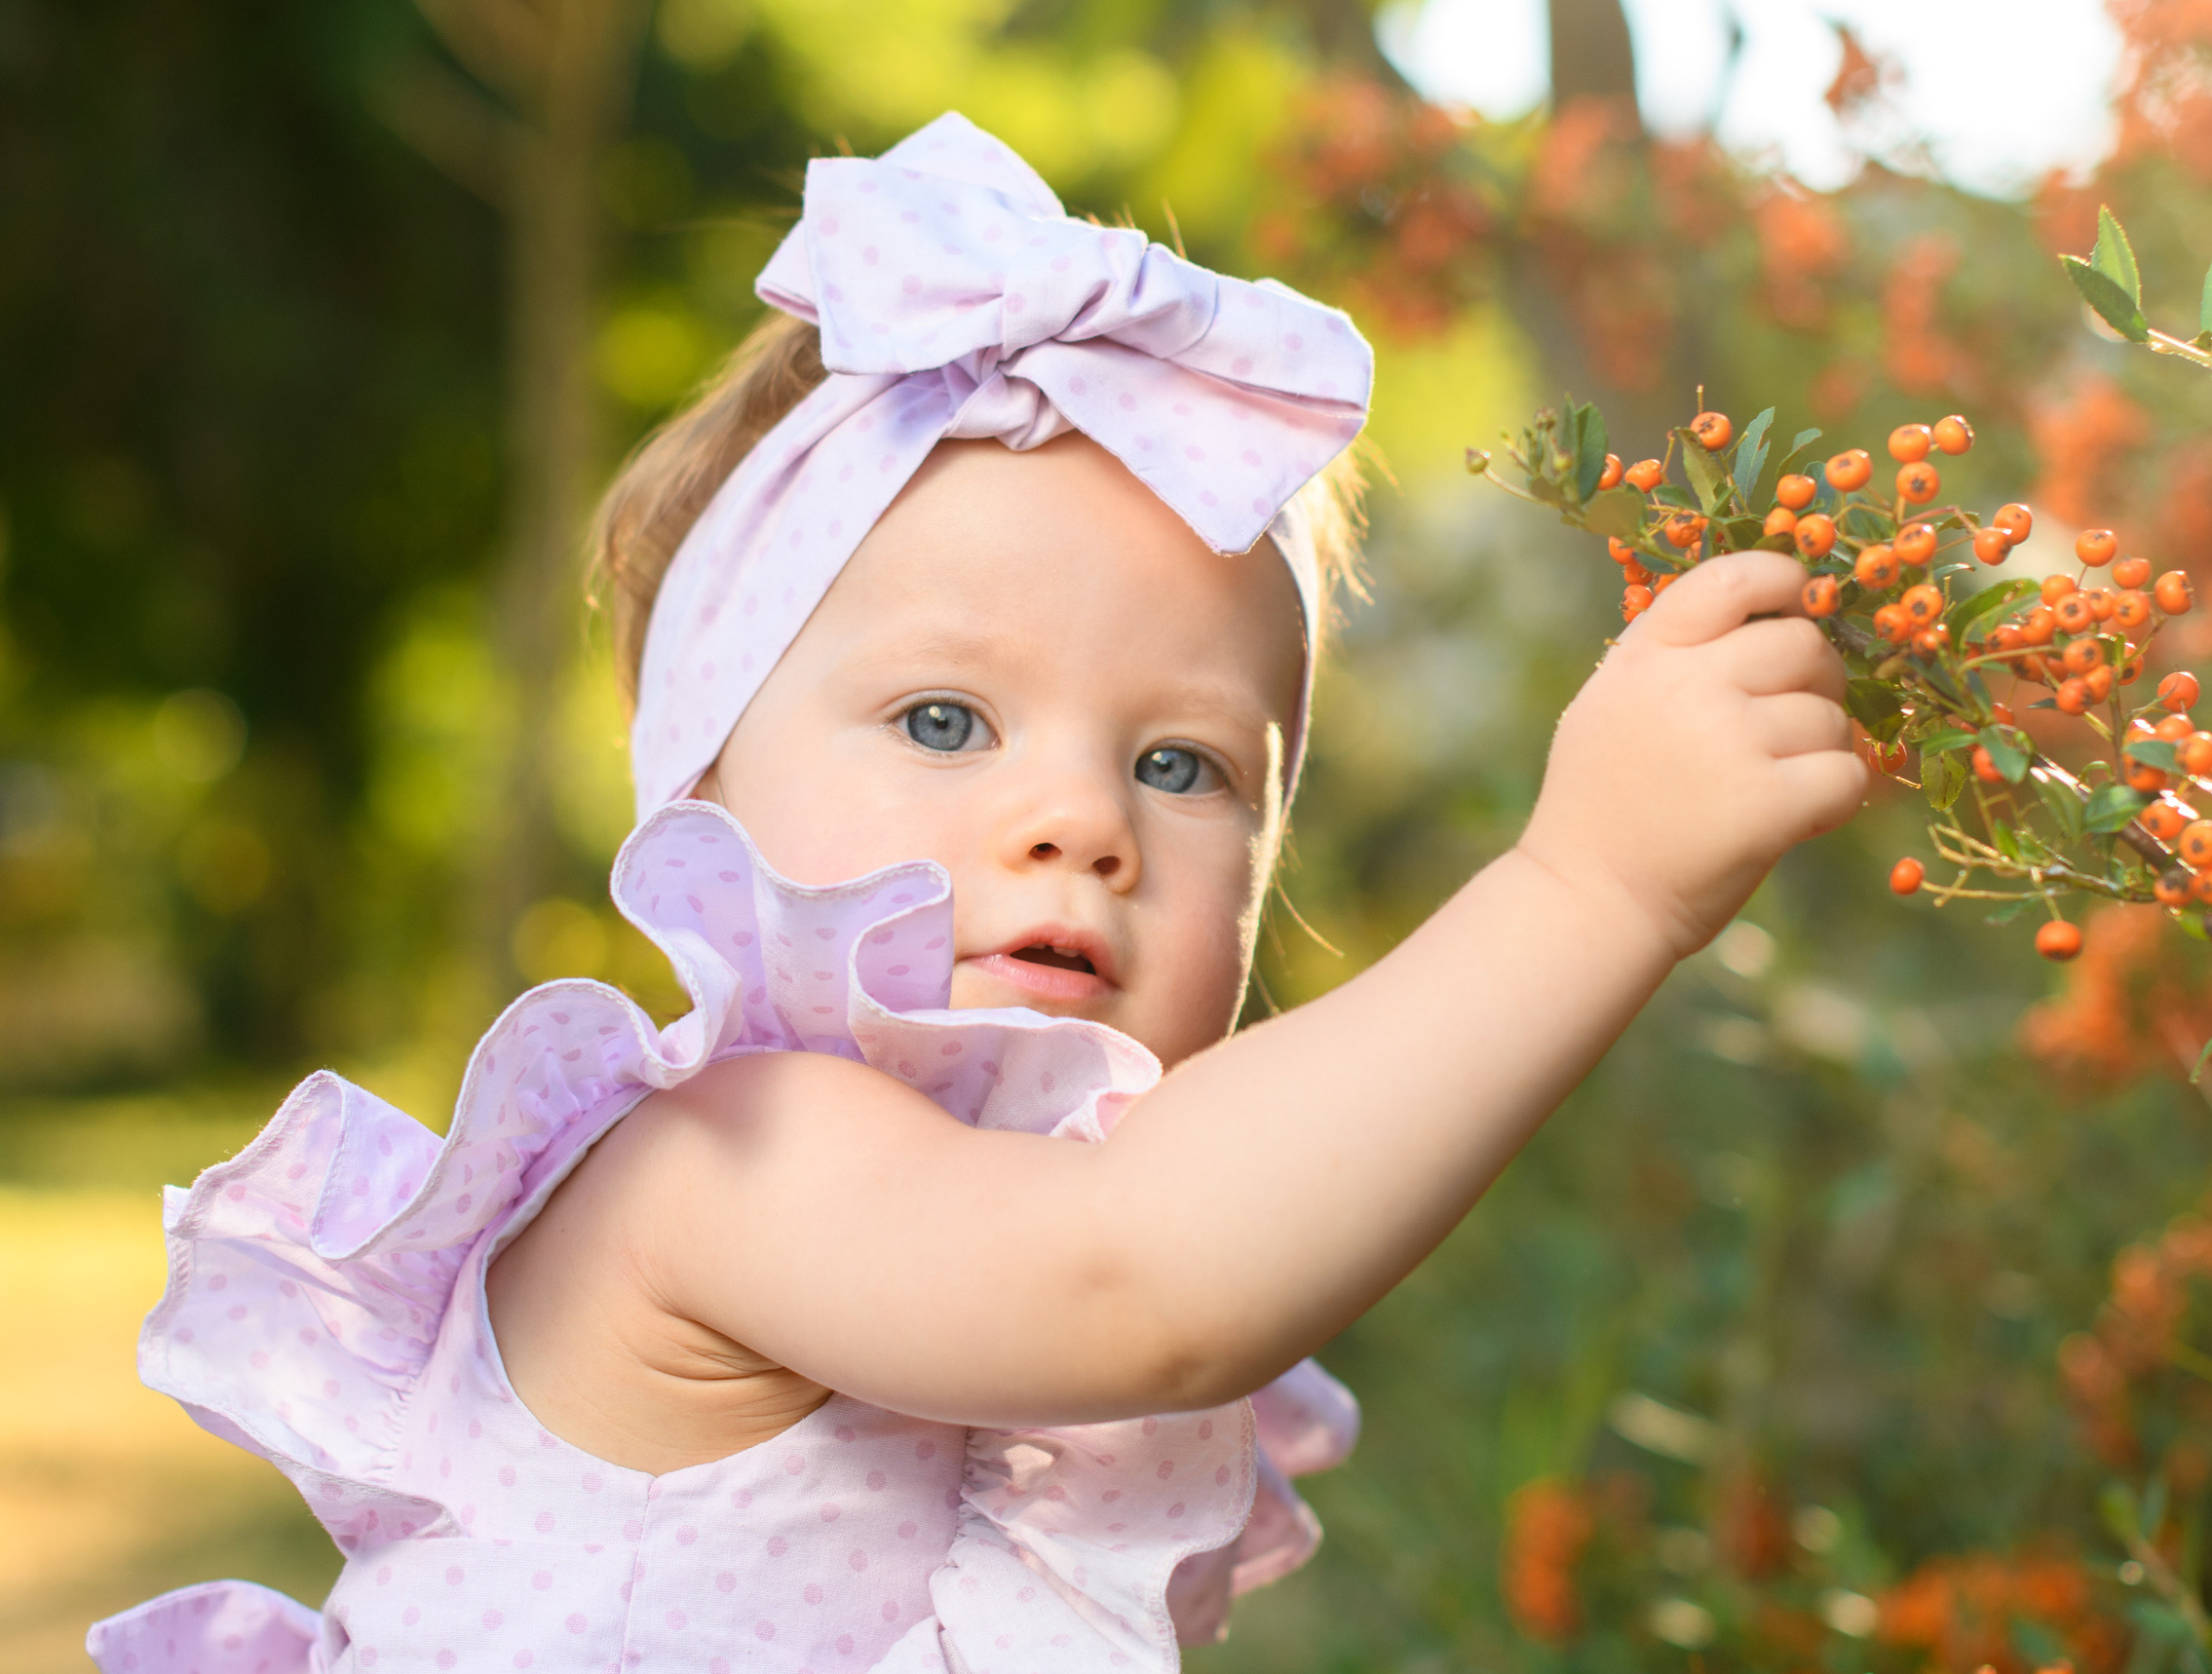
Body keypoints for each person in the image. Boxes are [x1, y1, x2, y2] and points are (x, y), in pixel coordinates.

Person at [88, 112, 1862, 1674]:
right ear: (699, 792)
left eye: (1185, 765)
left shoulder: (952, 1216)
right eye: (945, 719)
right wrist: (1588, 883)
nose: (1081, 819)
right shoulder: (727, 1161)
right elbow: (1137, 1278)